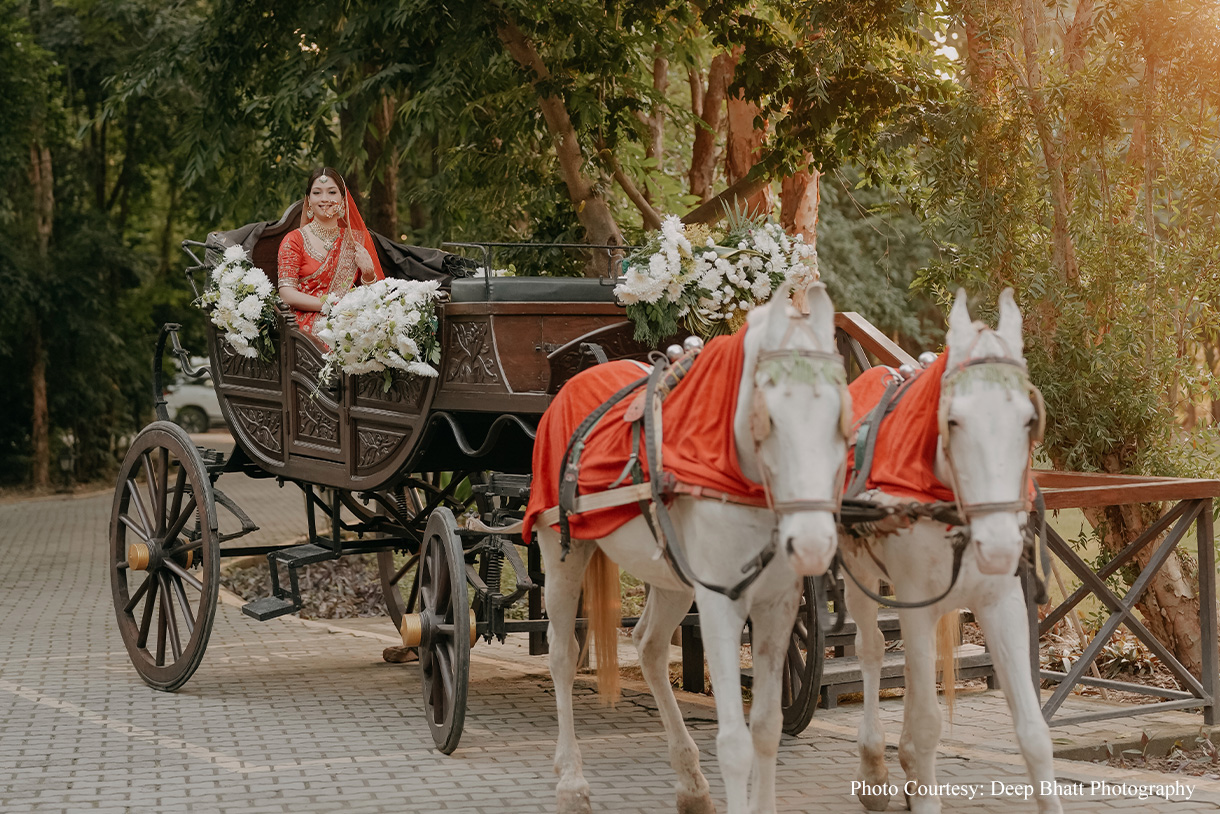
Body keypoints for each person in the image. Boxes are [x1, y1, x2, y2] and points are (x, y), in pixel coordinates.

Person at [277, 167, 384, 335]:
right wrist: (331, 305)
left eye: (332, 192)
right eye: (317, 193)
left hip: (348, 319)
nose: (325, 199)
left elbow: (374, 296)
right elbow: (287, 294)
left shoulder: (355, 241)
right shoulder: (294, 240)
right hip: (304, 325)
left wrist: (368, 274)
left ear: (343, 200)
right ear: (309, 200)